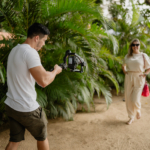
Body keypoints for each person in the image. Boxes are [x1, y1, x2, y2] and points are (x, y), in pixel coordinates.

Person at [5, 23, 62, 150]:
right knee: (42, 137)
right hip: (27, 109)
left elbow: (31, 74)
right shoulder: (30, 53)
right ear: (37, 38)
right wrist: (55, 71)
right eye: (44, 40)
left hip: (11, 105)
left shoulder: (15, 50)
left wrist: (47, 73)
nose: (44, 44)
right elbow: (43, 82)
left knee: (14, 141)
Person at [122, 38, 150, 125]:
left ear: (139, 45)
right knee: (128, 98)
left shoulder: (143, 55)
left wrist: (145, 74)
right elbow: (123, 65)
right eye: (133, 45)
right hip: (129, 76)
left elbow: (149, 68)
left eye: (137, 44)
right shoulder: (127, 56)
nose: (135, 46)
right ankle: (131, 117)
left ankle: (138, 110)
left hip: (139, 77)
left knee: (135, 99)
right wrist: (125, 71)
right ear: (131, 46)